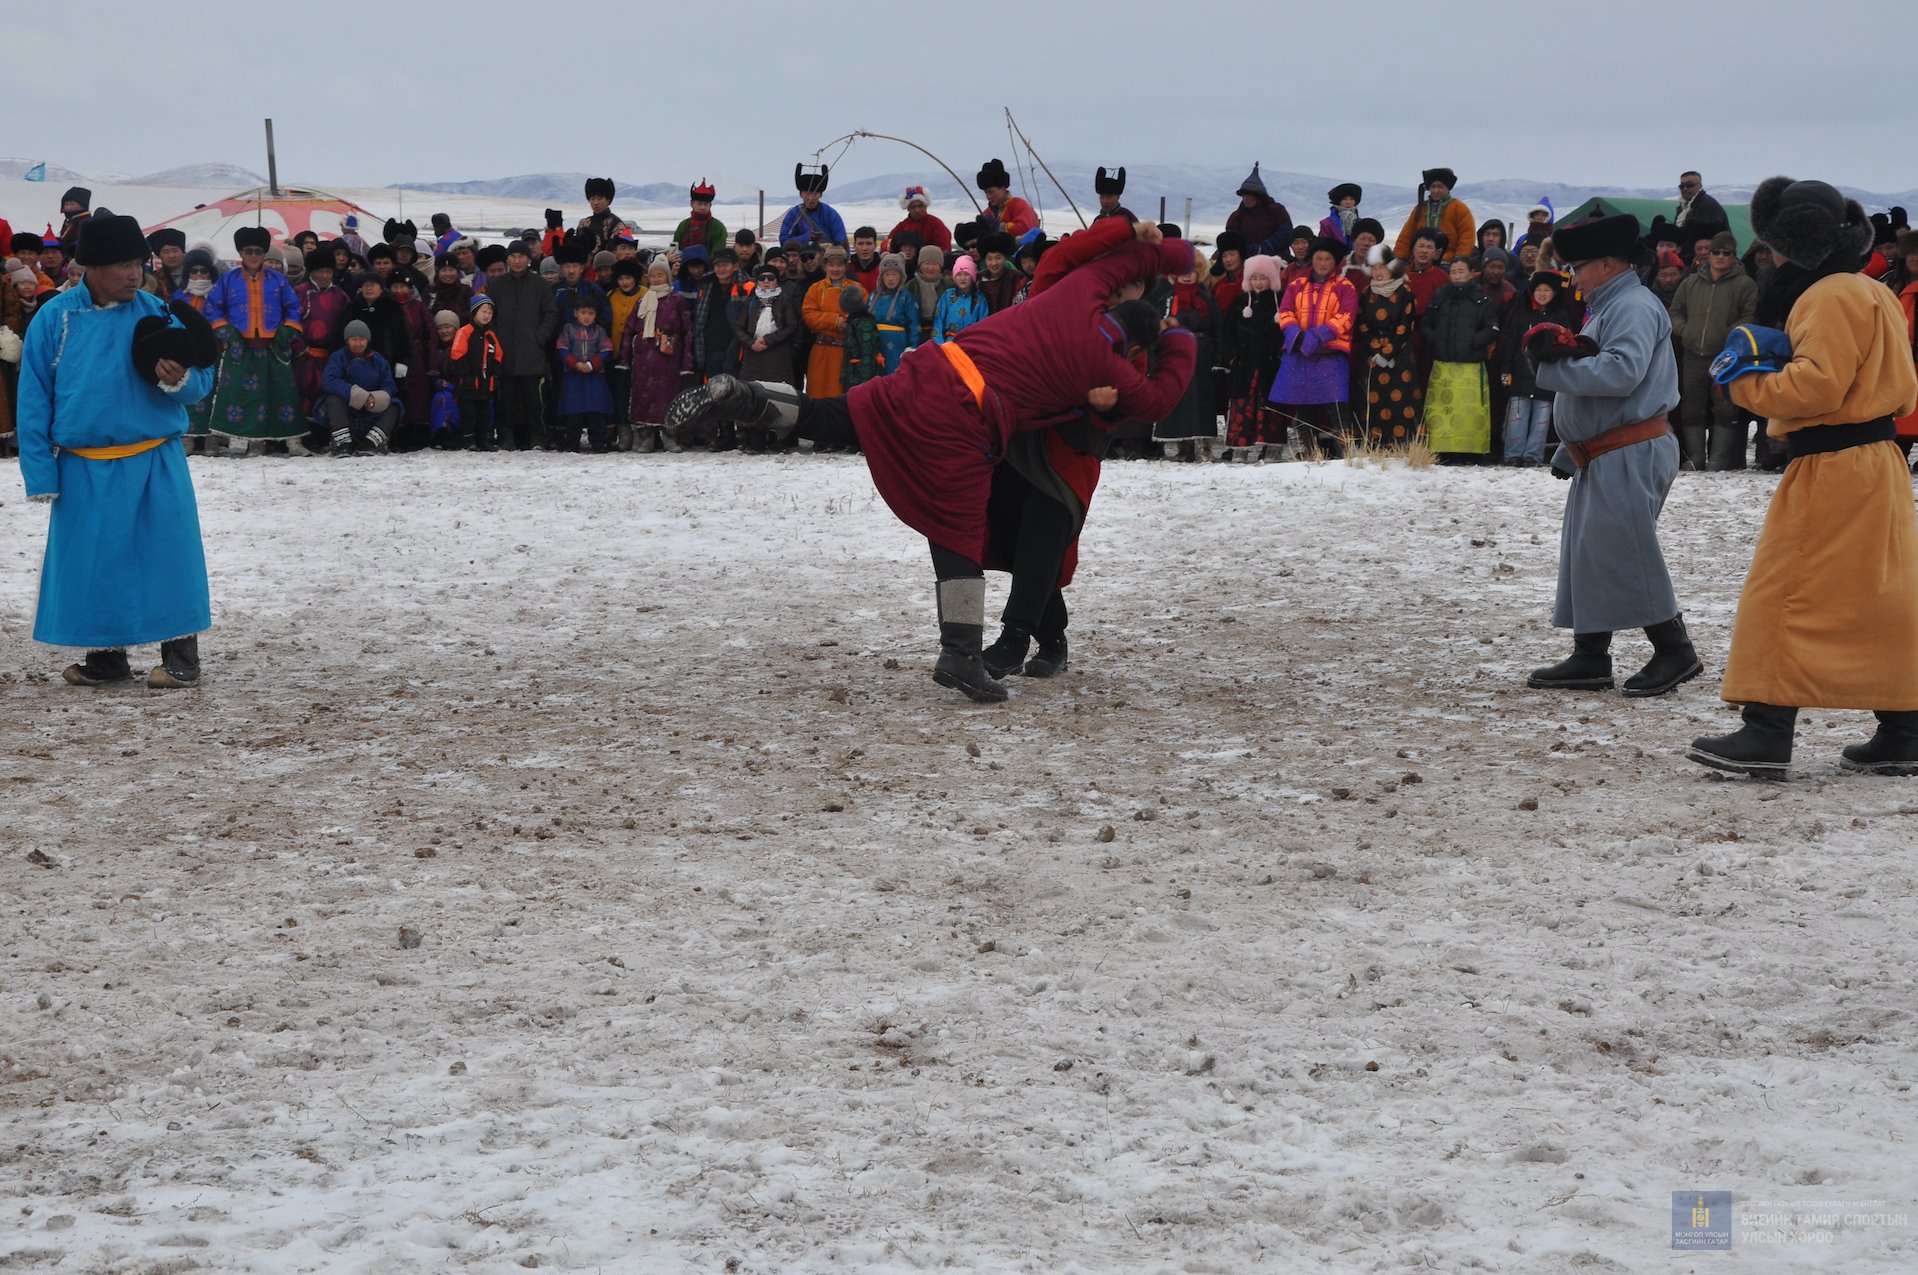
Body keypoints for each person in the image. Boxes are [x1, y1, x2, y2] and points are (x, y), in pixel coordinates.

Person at [663, 220, 1198, 703]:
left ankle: (745, 398)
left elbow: (1099, 264)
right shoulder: (1107, 349)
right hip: (973, 420)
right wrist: (1178, 341)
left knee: (840, 416)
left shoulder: (1075, 288)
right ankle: (962, 653)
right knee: (959, 531)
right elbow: (1152, 403)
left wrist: (1147, 241)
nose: (1120, 287)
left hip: (945, 376)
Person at [1687, 178, 1918, 777]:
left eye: (1771, 246)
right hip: (1878, 461)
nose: (1767, 258)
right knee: (1879, 594)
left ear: (1794, 244)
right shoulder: (1872, 290)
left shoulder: (1826, 296)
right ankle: (1904, 729)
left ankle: (1766, 731)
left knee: (1784, 590)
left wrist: (1743, 379)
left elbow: (1817, 386)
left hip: (1834, 463)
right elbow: (1904, 389)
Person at [16, 214, 220, 689]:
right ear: (91, 267)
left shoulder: (157, 312)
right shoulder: (54, 318)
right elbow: (34, 398)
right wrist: (41, 472)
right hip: (84, 466)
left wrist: (181, 381)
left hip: (155, 460)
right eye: (122, 265)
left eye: (137, 264)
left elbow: (202, 380)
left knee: (168, 557)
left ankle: (181, 655)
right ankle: (107, 659)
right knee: (97, 564)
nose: (133, 275)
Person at [1524, 213, 1699, 698]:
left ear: (1606, 264)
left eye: (1577, 267)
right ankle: (1590, 655)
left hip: (1630, 447)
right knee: (1590, 551)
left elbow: (1621, 373)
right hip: (1610, 449)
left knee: (1625, 547)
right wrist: (1573, 448)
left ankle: (1675, 650)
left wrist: (1549, 369)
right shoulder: (1612, 305)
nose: (1572, 277)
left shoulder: (1633, 306)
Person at [204, 225, 306, 453]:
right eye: (248, 251)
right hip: (240, 348)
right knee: (240, 395)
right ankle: (250, 440)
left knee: (281, 394)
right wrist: (227, 332)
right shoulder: (228, 281)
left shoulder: (278, 281)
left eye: (258, 251)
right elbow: (212, 308)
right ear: (240, 253)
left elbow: (293, 308)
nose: (253, 256)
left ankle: (292, 440)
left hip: (273, 348)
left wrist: (287, 331)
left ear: (264, 253)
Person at [1668, 230, 1760, 470]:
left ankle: (1719, 459)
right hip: (1693, 354)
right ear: (1708, 255)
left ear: (1733, 256)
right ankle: (1696, 458)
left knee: (1725, 407)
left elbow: (1750, 316)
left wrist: (1729, 335)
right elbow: (1675, 311)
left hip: (1727, 357)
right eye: (1716, 252)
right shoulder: (1690, 283)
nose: (1720, 256)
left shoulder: (1745, 284)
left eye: (1726, 253)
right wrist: (1685, 330)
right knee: (1691, 407)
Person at [1269, 237, 1358, 456]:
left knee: (1336, 404)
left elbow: (1346, 317)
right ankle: (1309, 451)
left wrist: (1317, 336)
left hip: (1331, 354)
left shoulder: (1345, 287)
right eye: (1319, 258)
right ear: (1312, 260)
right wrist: (1297, 336)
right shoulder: (1296, 285)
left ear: (1335, 262)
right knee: (1303, 403)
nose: (1323, 263)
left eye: (1328, 259)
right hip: (1300, 352)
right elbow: (1286, 312)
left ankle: (1346, 452)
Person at [1420, 258, 1499, 462]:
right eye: (1453, 271)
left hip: (1471, 365)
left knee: (1470, 411)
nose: (1456, 275)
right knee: (1441, 410)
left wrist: (1473, 341)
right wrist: (1436, 340)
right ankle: (1441, 450)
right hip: (1442, 365)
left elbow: (1492, 328)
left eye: (1461, 271)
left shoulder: (1482, 299)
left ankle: (1470, 453)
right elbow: (1425, 323)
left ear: (1471, 273)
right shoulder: (1440, 296)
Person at [1499, 271, 1575, 465]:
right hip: (1520, 374)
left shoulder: (1561, 317)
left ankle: (1533, 455)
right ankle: (1513, 454)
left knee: (1541, 420)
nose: (1542, 294)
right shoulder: (1522, 314)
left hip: (1547, 376)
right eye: (1538, 289)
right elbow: (1511, 343)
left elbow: (1568, 345)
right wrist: (1506, 369)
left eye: (1547, 290)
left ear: (1554, 293)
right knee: (1517, 417)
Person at [488, 240, 557, 450]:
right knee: (506, 401)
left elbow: (551, 313)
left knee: (535, 401)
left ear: (528, 259)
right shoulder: (497, 285)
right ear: (507, 259)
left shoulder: (540, 285)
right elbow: (489, 314)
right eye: (513, 256)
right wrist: (496, 338)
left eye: (521, 256)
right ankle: (506, 437)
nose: (517, 261)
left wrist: (540, 336)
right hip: (505, 353)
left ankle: (538, 437)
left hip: (532, 354)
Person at [1354, 246, 1424, 450]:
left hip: (1400, 354)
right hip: (1372, 356)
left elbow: (1406, 325)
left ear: (1392, 267)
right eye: (1374, 267)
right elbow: (1362, 326)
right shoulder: (1366, 293)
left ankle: (1406, 445)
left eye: (1382, 266)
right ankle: (1375, 445)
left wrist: (1389, 352)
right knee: (1374, 401)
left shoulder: (1404, 291)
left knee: (1403, 400)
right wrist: (1376, 351)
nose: (1378, 272)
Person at [622, 259, 692, 453]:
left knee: (668, 396)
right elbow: (629, 328)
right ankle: (646, 439)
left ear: (668, 277)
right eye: (652, 276)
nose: (656, 279)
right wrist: (625, 357)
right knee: (644, 397)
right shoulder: (642, 301)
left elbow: (688, 330)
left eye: (660, 275)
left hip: (669, 358)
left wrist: (687, 360)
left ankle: (670, 437)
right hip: (644, 358)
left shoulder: (677, 300)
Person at [1221, 253, 1287, 458]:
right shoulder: (1240, 302)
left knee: (1271, 405)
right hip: (1244, 364)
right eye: (1254, 278)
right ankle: (1240, 447)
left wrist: (1280, 355)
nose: (1258, 283)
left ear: (1272, 279)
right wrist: (1232, 357)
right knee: (1243, 405)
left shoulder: (1280, 302)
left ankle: (1272, 446)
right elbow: (1227, 332)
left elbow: (1287, 331)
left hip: (1270, 364)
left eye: (1263, 278)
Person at [320, 319, 400, 456]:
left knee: (395, 406)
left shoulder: (379, 360)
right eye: (354, 339)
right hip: (347, 407)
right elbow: (329, 381)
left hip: (372, 407)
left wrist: (375, 398)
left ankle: (370, 443)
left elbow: (389, 385)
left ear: (367, 340)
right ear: (347, 340)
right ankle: (343, 444)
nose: (358, 343)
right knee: (333, 400)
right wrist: (354, 393)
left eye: (362, 339)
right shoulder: (338, 357)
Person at [553, 299, 614, 453]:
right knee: (573, 412)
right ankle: (572, 442)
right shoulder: (568, 329)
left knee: (596, 412)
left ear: (596, 315)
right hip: (573, 377)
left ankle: (598, 443)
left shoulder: (599, 331)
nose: (587, 317)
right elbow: (562, 348)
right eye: (583, 313)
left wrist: (592, 364)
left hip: (595, 377)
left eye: (591, 313)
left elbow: (606, 350)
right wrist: (575, 363)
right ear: (576, 313)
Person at [449, 295, 505, 451]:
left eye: (489, 312)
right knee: (467, 413)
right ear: (474, 312)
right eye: (483, 312)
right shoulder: (464, 332)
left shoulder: (491, 335)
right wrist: (467, 374)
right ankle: (468, 440)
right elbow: (457, 354)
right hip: (467, 383)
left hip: (486, 383)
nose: (487, 315)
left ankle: (484, 440)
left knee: (484, 413)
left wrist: (496, 373)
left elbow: (498, 355)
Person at [1393, 168, 1475, 265]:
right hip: (1420, 261)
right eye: (1433, 187)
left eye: (1440, 187)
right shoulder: (1420, 208)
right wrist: (1400, 258)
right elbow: (1406, 235)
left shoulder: (1459, 208)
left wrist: (1460, 260)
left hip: (1447, 262)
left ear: (1448, 188)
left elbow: (1467, 236)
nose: (1436, 190)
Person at [802, 247, 853, 399]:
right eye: (831, 265)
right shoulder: (815, 289)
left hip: (845, 352)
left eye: (839, 265)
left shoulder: (856, 289)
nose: (835, 269)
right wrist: (835, 321)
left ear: (846, 266)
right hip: (820, 351)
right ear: (825, 266)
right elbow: (809, 316)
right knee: (817, 394)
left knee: (840, 396)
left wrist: (825, 320)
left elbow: (858, 317)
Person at [867, 254, 919, 376]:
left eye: (894, 274)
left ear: (901, 276)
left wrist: (912, 346)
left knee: (894, 375)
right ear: (881, 276)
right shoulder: (874, 295)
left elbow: (914, 323)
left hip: (897, 345)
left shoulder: (906, 297)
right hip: (874, 342)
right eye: (887, 274)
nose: (890, 279)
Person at [1225, 163, 1290, 253]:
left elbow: (1286, 233)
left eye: (1249, 195)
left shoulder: (1277, 211)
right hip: (1247, 259)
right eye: (1244, 195)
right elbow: (1231, 240)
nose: (1246, 198)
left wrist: (1267, 246)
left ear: (1258, 196)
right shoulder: (1236, 217)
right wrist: (1248, 250)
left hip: (1277, 257)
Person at [780, 165, 846, 249]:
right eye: (807, 193)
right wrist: (806, 237)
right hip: (800, 256)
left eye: (815, 193)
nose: (811, 198)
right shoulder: (793, 214)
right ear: (800, 194)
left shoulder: (830, 214)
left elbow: (841, 240)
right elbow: (784, 241)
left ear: (820, 195)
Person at [976, 159, 1038, 239]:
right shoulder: (987, 213)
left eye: (991, 192)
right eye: (986, 193)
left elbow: (1024, 228)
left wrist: (998, 226)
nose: (988, 196)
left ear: (1002, 189)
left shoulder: (1019, 205)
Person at [934, 258, 989, 344]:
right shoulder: (947, 296)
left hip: (972, 342)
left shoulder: (980, 298)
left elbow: (984, 323)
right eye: (959, 274)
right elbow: (938, 320)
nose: (962, 278)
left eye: (966, 274)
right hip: (949, 342)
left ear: (972, 276)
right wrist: (939, 344)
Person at [885, 187, 951, 254]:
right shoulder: (902, 227)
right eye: (913, 207)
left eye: (920, 206)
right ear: (908, 209)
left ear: (926, 206)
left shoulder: (936, 224)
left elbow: (945, 249)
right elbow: (888, 245)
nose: (917, 210)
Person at [674, 180, 727, 257]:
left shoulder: (718, 227)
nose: (703, 207)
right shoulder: (683, 226)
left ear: (710, 205)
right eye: (699, 204)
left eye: (706, 204)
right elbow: (676, 251)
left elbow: (718, 255)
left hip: (711, 264)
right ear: (692, 204)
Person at [1674, 171, 1728, 238]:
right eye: (1682, 186)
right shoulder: (1683, 206)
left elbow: (1705, 235)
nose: (1685, 189)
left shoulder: (1707, 205)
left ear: (1700, 186)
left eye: (1689, 185)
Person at [1319, 183, 1364, 249]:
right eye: (1344, 199)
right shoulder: (1327, 224)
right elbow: (1322, 247)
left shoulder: (1362, 224)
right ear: (1338, 201)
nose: (1348, 202)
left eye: (1351, 199)